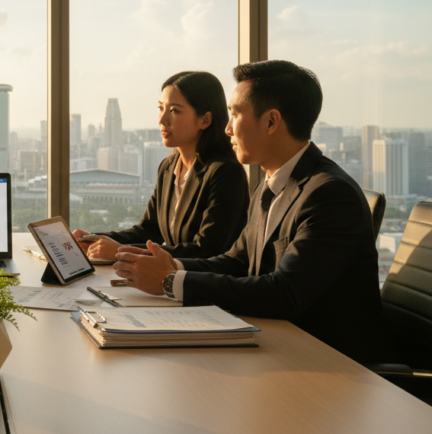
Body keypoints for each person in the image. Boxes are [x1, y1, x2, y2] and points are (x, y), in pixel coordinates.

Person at [112, 60, 382, 363]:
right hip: (273, 343)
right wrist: (169, 265)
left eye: (235, 114)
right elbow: (237, 261)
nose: (227, 128)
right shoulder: (270, 185)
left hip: (326, 363)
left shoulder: (328, 194)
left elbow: (285, 293)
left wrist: (171, 281)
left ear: (271, 122)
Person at [73, 71, 248, 260]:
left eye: (174, 111)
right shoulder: (168, 167)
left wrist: (120, 252)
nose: (162, 120)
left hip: (207, 286)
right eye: (161, 108)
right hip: (168, 283)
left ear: (204, 120)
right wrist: (92, 238)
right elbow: (147, 231)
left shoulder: (225, 173)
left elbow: (205, 251)